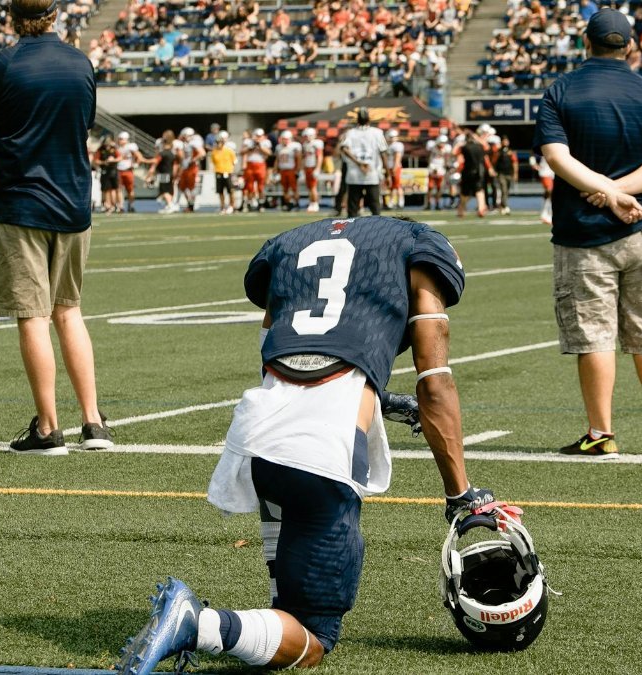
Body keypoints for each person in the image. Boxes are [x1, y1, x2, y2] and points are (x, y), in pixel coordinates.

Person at [118, 214, 503, 674]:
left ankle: (244, 626)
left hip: (259, 439)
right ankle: (196, 624)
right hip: (320, 458)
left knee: (287, 607)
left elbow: (284, 354)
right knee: (315, 638)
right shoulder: (417, 246)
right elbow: (436, 384)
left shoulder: (290, 244)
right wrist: (460, 494)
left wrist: (380, 399)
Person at [533, 8, 642, 459]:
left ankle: (601, 434)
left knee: (595, 336)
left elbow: (557, 158)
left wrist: (607, 191)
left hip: (583, 233)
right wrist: (622, 193)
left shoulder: (561, 91)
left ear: (586, 43)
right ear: (631, 47)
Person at [0, 0, 112, 455]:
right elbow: (82, 126)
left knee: (33, 315)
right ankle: (93, 422)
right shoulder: (80, 62)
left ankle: (48, 428)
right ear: (55, 15)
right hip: (72, 201)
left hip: (20, 203)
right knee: (70, 310)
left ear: (12, 17)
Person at [338, 107, 387, 217]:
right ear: (369, 119)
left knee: (353, 209)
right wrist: (388, 173)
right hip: (371, 172)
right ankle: (378, 232)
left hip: (354, 174)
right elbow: (383, 153)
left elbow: (344, 149)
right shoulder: (377, 132)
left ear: (357, 120)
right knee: (375, 208)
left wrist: (359, 163)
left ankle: (351, 233)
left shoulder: (350, 133)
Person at [454, 129, 489, 218]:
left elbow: (453, 153)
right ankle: (481, 208)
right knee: (479, 190)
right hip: (478, 171)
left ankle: (461, 210)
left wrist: (458, 144)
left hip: (467, 171)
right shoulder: (479, 146)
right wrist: (478, 138)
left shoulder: (464, 147)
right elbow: (487, 147)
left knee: (465, 193)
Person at [146, 130, 177, 214]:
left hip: (163, 174)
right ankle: (169, 205)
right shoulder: (172, 154)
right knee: (169, 190)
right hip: (170, 173)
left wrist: (149, 175)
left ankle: (170, 205)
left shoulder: (162, 154)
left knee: (164, 190)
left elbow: (155, 163)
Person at [115, 131, 147, 213]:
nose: (120, 140)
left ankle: (131, 205)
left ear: (126, 139)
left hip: (128, 170)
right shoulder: (117, 147)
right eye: (119, 139)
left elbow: (139, 157)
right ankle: (121, 206)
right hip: (119, 170)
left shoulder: (130, 147)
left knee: (130, 190)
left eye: (121, 139)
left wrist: (136, 165)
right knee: (119, 189)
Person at [209, 131, 237, 214]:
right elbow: (213, 162)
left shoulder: (229, 151)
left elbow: (234, 162)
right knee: (220, 191)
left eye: (219, 142)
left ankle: (232, 206)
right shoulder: (214, 152)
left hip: (227, 172)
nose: (218, 144)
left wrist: (231, 171)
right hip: (218, 172)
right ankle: (222, 206)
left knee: (230, 190)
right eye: (217, 142)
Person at [300, 127, 324, 212]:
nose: (307, 137)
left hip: (313, 166)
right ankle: (311, 202)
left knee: (313, 187)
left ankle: (315, 203)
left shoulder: (317, 143)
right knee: (309, 187)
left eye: (309, 135)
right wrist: (302, 169)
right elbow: (304, 158)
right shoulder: (305, 144)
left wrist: (317, 168)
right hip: (307, 167)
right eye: (306, 136)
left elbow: (319, 156)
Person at [494, 136, 518, 215]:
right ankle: (506, 207)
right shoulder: (498, 151)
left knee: (506, 191)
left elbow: (515, 163)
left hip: (509, 173)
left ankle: (502, 205)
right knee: (503, 190)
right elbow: (494, 161)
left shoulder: (511, 151)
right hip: (501, 174)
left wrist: (515, 173)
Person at [383, 129, 404, 211]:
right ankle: (395, 202)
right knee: (393, 186)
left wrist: (394, 168)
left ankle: (399, 202)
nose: (391, 138)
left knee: (396, 186)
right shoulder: (389, 145)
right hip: (390, 167)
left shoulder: (397, 145)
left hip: (394, 167)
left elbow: (397, 158)